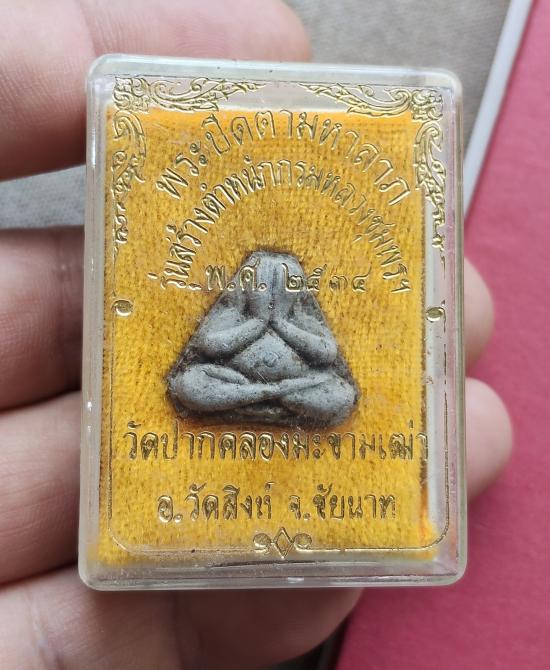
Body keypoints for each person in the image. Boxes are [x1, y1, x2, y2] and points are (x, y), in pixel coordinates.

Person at [0, 1, 513, 668]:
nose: (272, 284)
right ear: (245, 276)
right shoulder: (237, 302)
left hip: (294, 389)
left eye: (283, 280)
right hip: (234, 385)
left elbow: (330, 362)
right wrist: (256, 324)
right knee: (194, 385)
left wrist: (287, 329)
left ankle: (273, 403)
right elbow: (207, 353)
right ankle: (267, 403)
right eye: (261, 279)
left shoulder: (299, 305)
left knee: (333, 398)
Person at [168, 252, 358, 426]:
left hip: (298, 382)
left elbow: (327, 353)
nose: (272, 298)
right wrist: (257, 322)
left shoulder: (302, 317)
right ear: (246, 287)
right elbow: (210, 345)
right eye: (262, 288)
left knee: (342, 395)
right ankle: (266, 393)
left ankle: (258, 396)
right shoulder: (233, 312)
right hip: (237, 380)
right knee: (190, 383)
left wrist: (281, 323)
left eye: (284, 290)